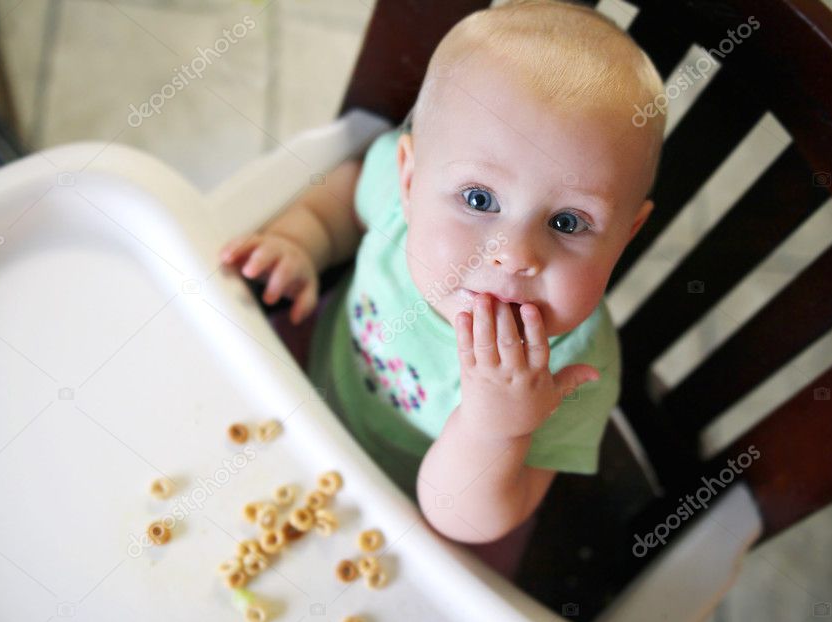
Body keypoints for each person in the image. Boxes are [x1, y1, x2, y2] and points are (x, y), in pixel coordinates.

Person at [219, 0, 666, 578]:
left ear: (625, 236)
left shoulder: (576, 370)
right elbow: (345, 201)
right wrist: (303, 241)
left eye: (568, 222)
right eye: (480, 200)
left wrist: (496, 426)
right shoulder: (398, 206)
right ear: (409, 180)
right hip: (305, 400)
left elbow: (468, 523)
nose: (516, 255)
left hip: (413, 537)